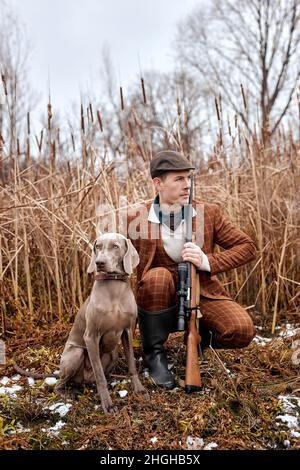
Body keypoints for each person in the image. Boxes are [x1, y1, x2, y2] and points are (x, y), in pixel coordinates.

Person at [126, 150, 257, 389]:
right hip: (159, 293)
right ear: (158, 183)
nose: (187, 185)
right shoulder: (136, 216)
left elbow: (248, 247)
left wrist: (206, 261)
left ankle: (199, 340)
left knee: (241, 329)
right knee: (157, 276)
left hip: (200, 288)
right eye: (178, 179)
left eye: (188, 178)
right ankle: (154, 355)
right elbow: (122, 259)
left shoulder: (209, 213)